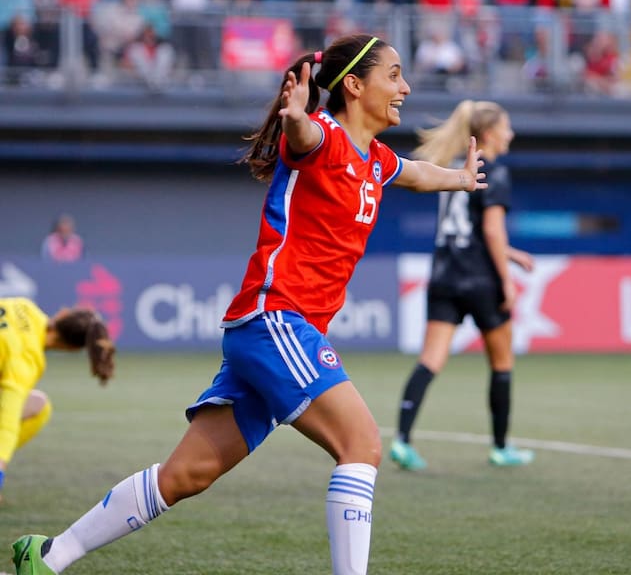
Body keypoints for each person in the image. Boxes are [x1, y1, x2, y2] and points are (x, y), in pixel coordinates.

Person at [10, 33, 486, 575]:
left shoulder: (375, 160)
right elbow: (301, 134)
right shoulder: (322, 137)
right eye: (395, 75)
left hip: (267, 333)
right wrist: (295, 115)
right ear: (354, 85)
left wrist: (460, 180)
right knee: (361, 444)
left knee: (186, 475)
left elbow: (418, 175)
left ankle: (49, 555)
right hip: (276, 320)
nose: (406, 86)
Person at [390, 100, 536, 471]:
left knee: (430, 361)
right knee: (502, 363)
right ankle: (501, 448)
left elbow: (467, 230)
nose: (511, 134)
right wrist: (507, 279)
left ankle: (403, 441)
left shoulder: (453, 168)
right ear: (488, 135)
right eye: (506, 127)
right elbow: (490, 229)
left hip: (444, 276)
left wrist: (513, 254)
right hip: (481, 279)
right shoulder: (495, 172)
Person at [0, 297, 115, 505]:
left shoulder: (23, 306)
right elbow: (7, 422)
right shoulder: (27, 359)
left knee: (38, 404)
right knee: (38, 409)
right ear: (72, 349)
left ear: (62, 314)